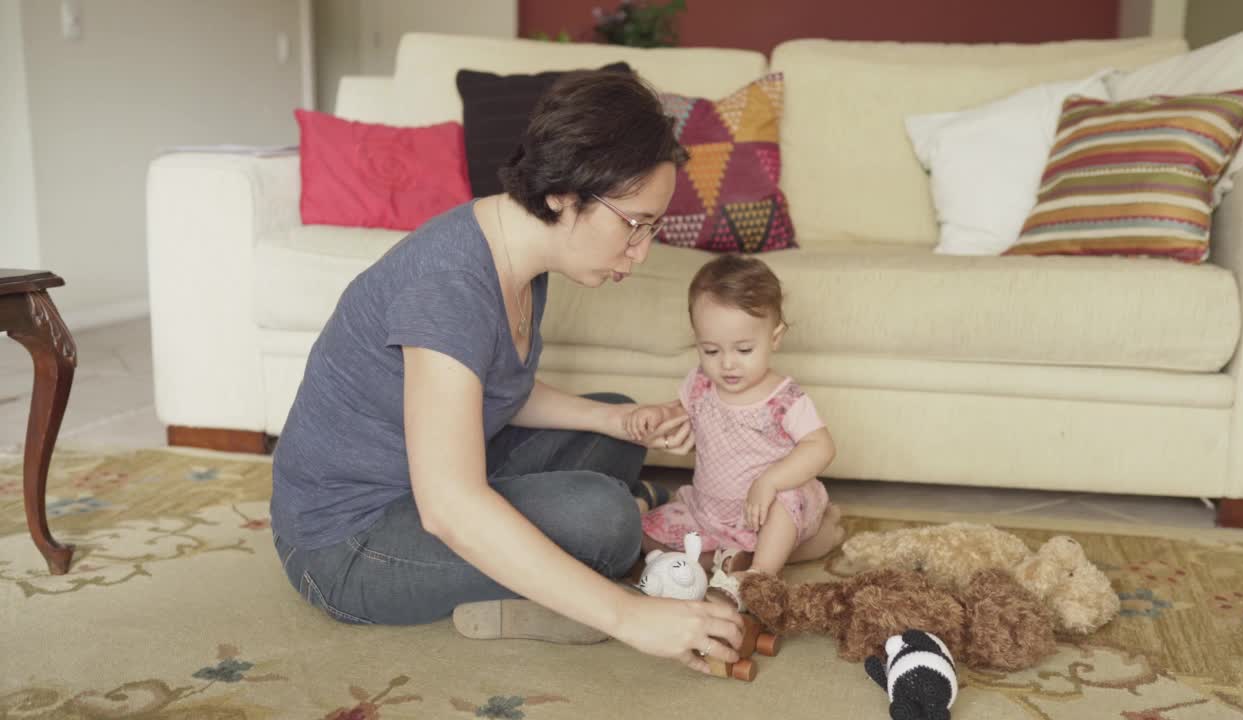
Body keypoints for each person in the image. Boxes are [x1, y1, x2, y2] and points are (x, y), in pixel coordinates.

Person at [268, 69, 744, 675]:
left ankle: (555, 563)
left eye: (651, 229)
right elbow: (449, 507)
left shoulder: (517, 257)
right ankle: (568, 584)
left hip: (422, 478)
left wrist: (618, 419)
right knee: (604, 517)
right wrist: (630, 618)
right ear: (563, 196)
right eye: (634, 224)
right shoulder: (452, 287)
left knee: (611, 436)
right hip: (347, 544)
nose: (642, 251)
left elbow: (492, 391)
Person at [632, 255, 845, 606]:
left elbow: (821, 446)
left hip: (764, 509)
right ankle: (732, 558)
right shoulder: (700, 383)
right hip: (711, 511)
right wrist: (659, 414)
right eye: (711, 350)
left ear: (775, 338)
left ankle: (760, 572)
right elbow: (679, 412)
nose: (727, 363)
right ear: (697, 339)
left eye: (744, 349)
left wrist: (770, 481)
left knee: (785, 505)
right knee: (641, 534)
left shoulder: (784, 399)